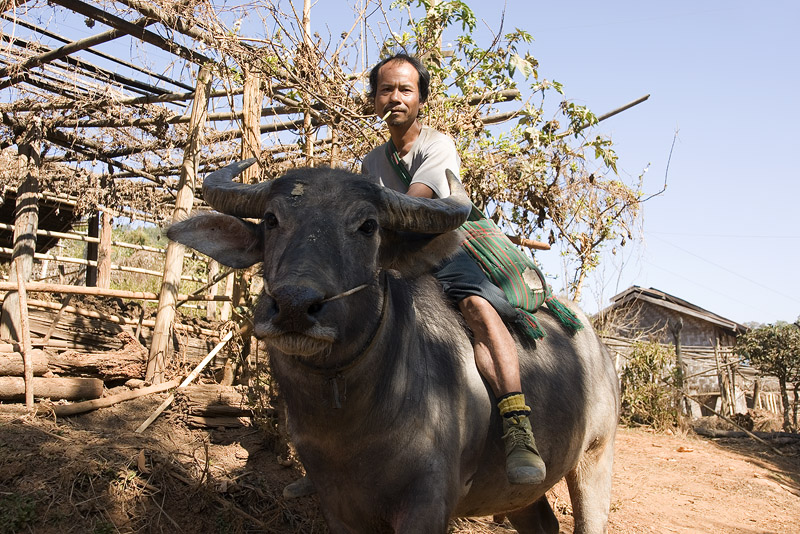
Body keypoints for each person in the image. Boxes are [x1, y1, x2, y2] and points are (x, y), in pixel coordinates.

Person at [284, 53, 545, 499]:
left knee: (476, 307)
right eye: (386, 89)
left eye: (406, 90)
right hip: (387, 253)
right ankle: (331, 452)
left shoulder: (438, 146)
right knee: (342, 311)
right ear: (373, 100)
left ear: (421, 99)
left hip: (438, 247)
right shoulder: (371, 162)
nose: (396, 97)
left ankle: (518, 426)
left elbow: (413, 207)